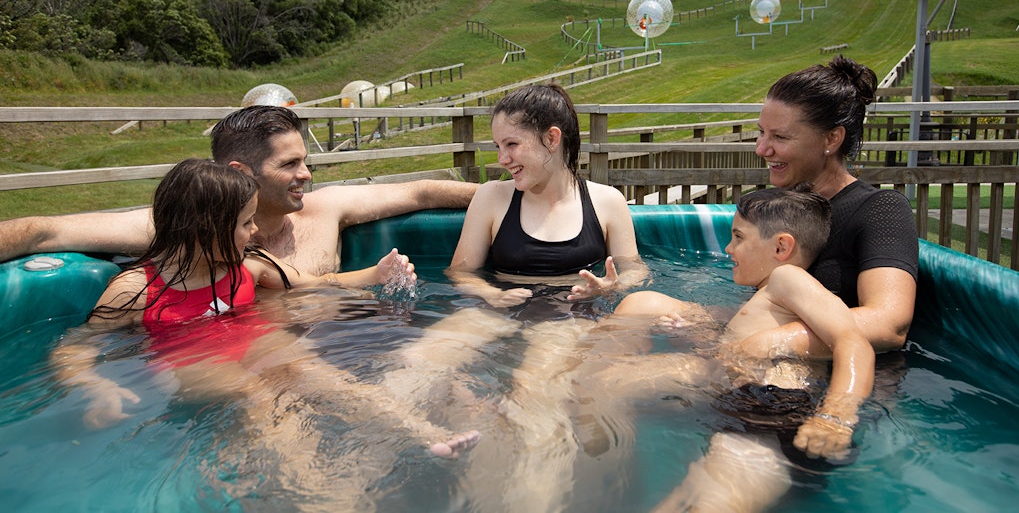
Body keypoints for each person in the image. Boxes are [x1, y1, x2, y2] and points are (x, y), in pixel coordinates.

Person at [51, 159, 478, 506]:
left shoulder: (248, 266)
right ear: (204, 230)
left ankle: (424, 435)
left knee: (325, 377)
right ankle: (321, 496)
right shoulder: (136, 290)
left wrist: (375, 272)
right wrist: (92, 383)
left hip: (255, 343)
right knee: (261, 399)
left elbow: (315, 284)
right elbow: (76, 347)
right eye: (245, 224)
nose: (255, 232)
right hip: (194, 360)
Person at [380, 83, 648, 512]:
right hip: (495, 306)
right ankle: (365, 474)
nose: (502, 159)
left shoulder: (606, 201)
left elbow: (636, 270)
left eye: (511, 145)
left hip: (567, 314)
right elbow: (460, 271)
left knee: (536, 399)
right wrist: (489, 292)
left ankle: (530, 499)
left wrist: (611, 287)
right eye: (497, 146)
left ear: (552, 139)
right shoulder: (492, 197)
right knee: (414, 364)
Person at [587, 184, 875, 512]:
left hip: (772, 412)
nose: (728, 248)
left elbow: (854, 342)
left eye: (738, 237)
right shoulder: (765, 296)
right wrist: (698, 332)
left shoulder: (788, 279)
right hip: (749, 407)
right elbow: (737, 353)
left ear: (782, 246)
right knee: (682, 500)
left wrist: (836, 415)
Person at [0, 105, 477, 276]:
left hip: (336, 351)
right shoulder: (183, 228)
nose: (307, 175)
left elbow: (421, 194)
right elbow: (39, 231)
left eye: (305, 161)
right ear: (241, 172)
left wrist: (519, 194)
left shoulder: (325, 210)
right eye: (289, 164)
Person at [751, 55, 918, 356]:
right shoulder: (779, 209)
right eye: (761, 132)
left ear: (832, 138)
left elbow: (890, 323)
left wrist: (771, 341)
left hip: (831, 386)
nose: (762, 149)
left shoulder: (880, 210)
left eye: (780, 136)